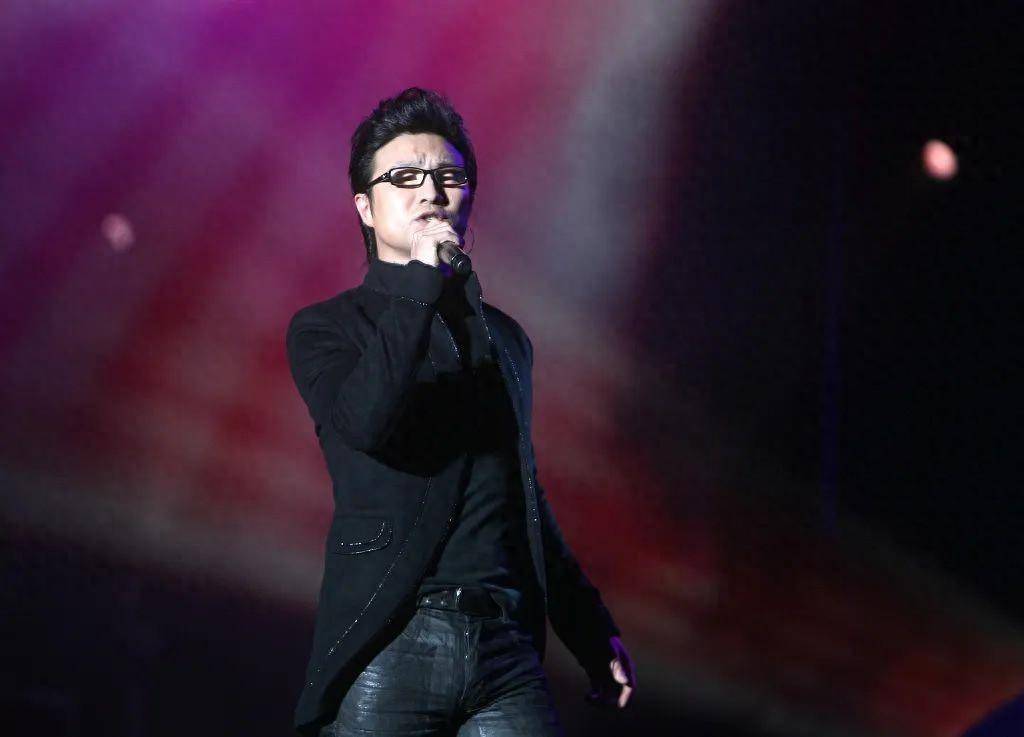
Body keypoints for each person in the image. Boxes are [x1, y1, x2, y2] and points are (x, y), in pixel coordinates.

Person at [285, 87, 635, 737]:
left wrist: (589, 626)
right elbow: (366, 422)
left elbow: (521, 494)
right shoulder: (328, 329)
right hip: (393, 638)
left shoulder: (506, 339)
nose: (430, 191)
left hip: (506, 651)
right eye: (404, 177)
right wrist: (421, 281)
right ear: (365, 206)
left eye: (448, 177)